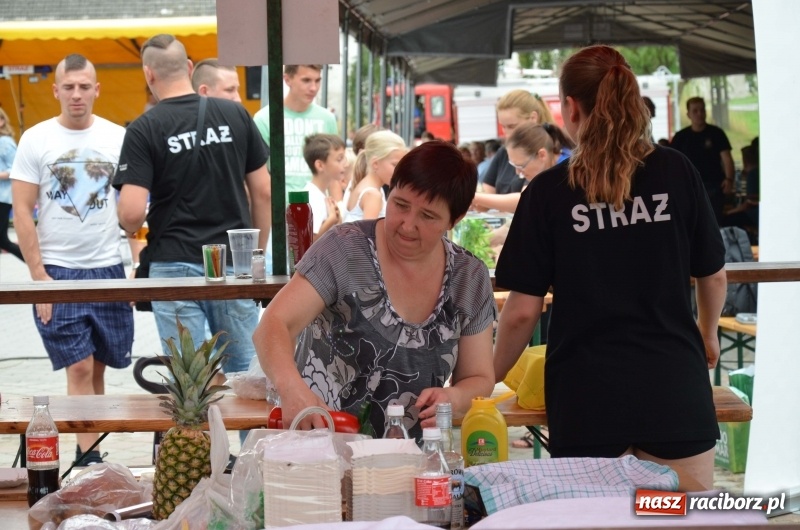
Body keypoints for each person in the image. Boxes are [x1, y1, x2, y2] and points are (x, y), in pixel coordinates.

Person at [492, 45, 727, 490]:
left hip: (588, 396)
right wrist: (707, 332)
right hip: (674, 386)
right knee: (678, 521)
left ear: (570, 107)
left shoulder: (548, 192)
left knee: (599, 522)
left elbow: (522, 311)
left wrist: (488, 378)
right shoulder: (676, 170)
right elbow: (712, 274)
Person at [253, 140, 497, 440]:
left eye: (428, 216)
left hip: (412, 456)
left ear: (454, 220)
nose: (408, 225)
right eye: (400, 205)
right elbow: (273, 325)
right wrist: (291, 389)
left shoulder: (468, 276)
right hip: (319, 443)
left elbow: (479, 376)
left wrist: (455, 398)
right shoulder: (343, 248)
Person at [114, 34, 271, 379]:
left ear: (148, 74)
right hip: (233, 266)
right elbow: (263, 192)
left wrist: (128, 227)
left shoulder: (144, 129)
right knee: (246, 377)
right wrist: (254, 256)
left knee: (188, 381)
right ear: (188, 67)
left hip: (173, 265)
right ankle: (249, 435)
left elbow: (131, 213)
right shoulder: (235, 114)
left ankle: (195, 435)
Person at [10, 54, 135, 465]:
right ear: (56, 90)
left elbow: (134, 206)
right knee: (79, 369)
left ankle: (93, 453)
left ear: (97, 89)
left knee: (99, 369)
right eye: (69, 87)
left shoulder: (118, 137)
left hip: (108, 268)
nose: (77, 94)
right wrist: (39, 277)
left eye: (85, 86)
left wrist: (134, 265)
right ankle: (88, 461)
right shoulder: (36, 139)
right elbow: (22, 211)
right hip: (59, 271)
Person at [252, 65, 338, 198]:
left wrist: (338, 206)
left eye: (317, 80)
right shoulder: (264, 119)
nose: (313, 88)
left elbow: (334, 170)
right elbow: (257, 175)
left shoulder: (327, 119)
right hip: (279, 209)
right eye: (306, 80)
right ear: (287, 80)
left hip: (319, 209)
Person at [481, 89, 572, 195]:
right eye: (503, 127)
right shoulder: (504, 151)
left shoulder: (560, 160)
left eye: (512, 126)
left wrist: (480, 199)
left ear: (542, 155)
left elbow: (526, 198)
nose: (507, 134)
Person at [471, 123, 570, 214]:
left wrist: (474, 197)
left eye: (521, 166)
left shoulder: (566, 173)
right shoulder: (550, 171)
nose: (518, 173)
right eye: (514, 166)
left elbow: (526, 201)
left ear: (542, 155)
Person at [670, 96, 735, 224]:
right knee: (691, 222)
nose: (699, 114)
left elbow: (727, 158)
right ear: (688, 114)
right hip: (688, 186)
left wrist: (729, 179)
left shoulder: (716, 133)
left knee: (714, 222)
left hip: (714, 185)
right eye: (695, 111)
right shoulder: (681, 137)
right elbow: (673, 163)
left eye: (702, 110)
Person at [343, 130, 407, 222]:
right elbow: (369, 235)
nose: (400, 170)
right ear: (375, 163)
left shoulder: (364, 185)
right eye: (395, 165)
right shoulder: (373, 194)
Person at [302, 133, 345, 241]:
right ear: (320, 165)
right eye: (339, 159)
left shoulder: (319, 194)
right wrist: (331, 219)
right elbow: (309, 241)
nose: (346, 164)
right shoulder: (313, 197)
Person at [0, 107, 24, 261]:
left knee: (2, 240)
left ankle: (38, 265)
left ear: (2, 122)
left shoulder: (5, 142)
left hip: (3, 197)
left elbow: (15, 167)